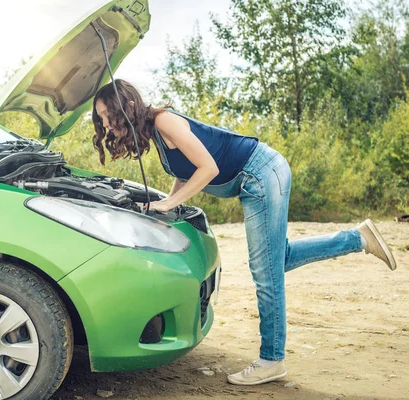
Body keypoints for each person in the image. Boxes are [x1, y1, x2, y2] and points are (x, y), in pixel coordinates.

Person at [91, 79, 397, 386]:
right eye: (101, 117)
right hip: (259, 175)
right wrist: (167, 203)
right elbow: (185, 171)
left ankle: (271, 360)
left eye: (107, 114)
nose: (105, 124)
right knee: (276, 260)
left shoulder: (164, 121)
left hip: (261, 173)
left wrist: (171, 202)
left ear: (125, 106)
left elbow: (208, 168)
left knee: (266, 273)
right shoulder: (155, 130)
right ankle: (358, 239)